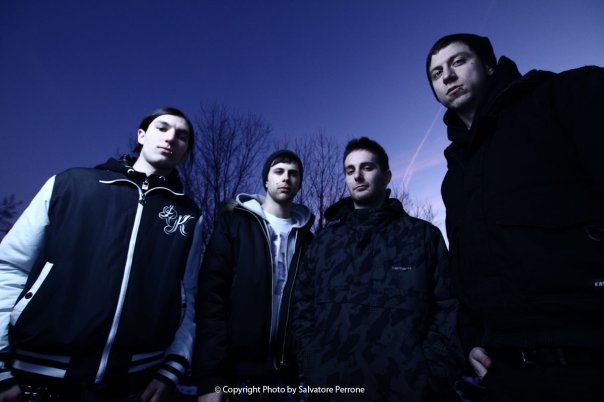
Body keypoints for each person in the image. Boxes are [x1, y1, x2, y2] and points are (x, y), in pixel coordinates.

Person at [426, 33, 604, 401]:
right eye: (436, 73)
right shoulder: (454, 178)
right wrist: (471, 339)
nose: (447, 76)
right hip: (506, 374)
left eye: (458, 61)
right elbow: (463, 268)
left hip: (590, 361)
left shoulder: (563, 96)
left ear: (489, 66)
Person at [0, 107, 202, 402]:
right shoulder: (70, 184)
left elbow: (188, 294)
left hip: (136, 382)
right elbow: (10, 267)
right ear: (141, 136)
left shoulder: (189, 214)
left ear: (186, 150)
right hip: (36, 376)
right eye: (162, 128)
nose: (171, 137)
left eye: (182, 136)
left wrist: (172, 366)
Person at [292, 137, 461, 401]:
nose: (357, 176)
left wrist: (430, 375)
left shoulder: (422, 236)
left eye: (367, 167)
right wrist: (314, 364)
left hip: (407, 391)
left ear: (387, 176)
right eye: (350, 170)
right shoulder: (324, 242)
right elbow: (302, 306)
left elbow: (447, 307)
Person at [193, 150, 314, 402]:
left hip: (287, 377)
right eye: (278, 171)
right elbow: (211, 299)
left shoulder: (308, 239)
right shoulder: (234, 224)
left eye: (293, 174)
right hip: (236, 375)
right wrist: (212, 377)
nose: (286, 178)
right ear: (266, 180)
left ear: (299, 183)